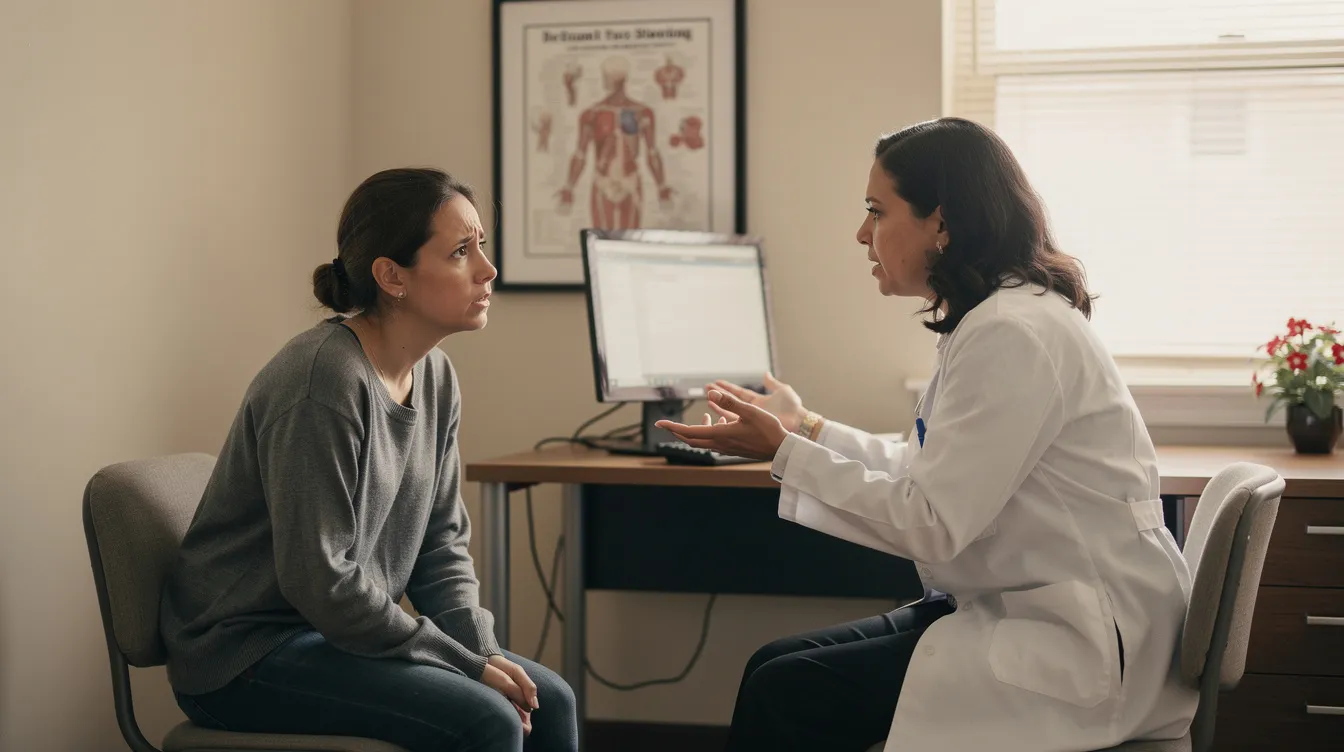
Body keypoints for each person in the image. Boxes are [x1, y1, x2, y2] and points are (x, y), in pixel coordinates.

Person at [657, 118, 1199, 752]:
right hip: (1038, 609)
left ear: (940, 223)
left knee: (788, 691)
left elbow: (933, 519)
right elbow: (925, 467)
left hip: (1082, 643)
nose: (862, 233)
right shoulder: (997, 319)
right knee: (771, 667)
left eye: (876, 211)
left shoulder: (1012, 333)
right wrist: (803, 427)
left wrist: (783, 452)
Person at [160, 168, 578, 752]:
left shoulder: (435, 376)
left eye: (481, 244)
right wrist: (458, 662)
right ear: (391, 275)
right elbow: (319, 578)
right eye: (461, 251)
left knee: (550, 699)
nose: (487, 269)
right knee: (489, 718)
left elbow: (440, 544)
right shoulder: (322, 382)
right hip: (249, 654)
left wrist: (478, 650)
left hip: (336, 636)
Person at [557, 55, 674, 229]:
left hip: (630, 182)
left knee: (631, 240)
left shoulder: (642, 112)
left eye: (607, 76)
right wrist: (569, 188)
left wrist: (662, 187)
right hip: (603, 182)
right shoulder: (592, 114)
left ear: (616, 79)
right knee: (601, 239)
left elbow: (652, 151)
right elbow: (580, 154)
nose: (605, 79)